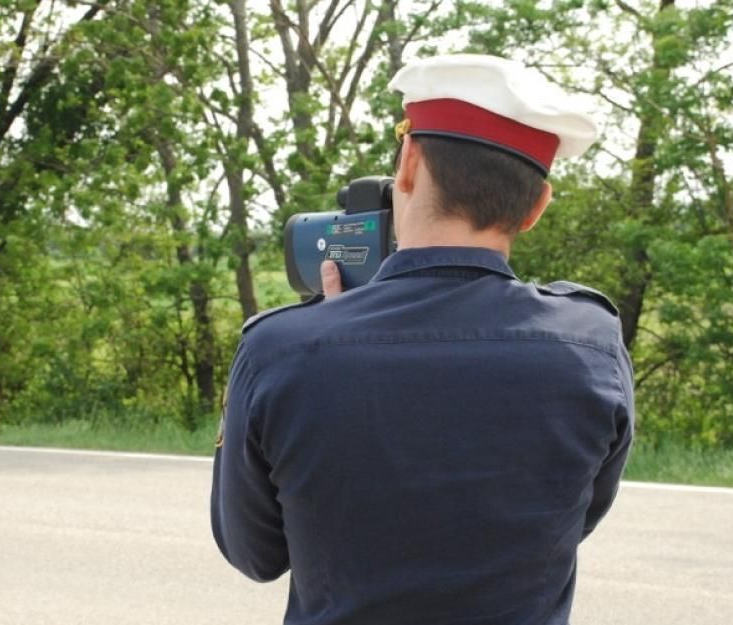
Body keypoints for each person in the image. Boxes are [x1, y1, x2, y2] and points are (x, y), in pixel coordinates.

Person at [210, 54, 634, 625]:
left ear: (407, 164)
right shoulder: (592, 346)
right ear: (535, 208)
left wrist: (330, 334)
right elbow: (571, 521)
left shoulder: (279, 351)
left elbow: (254, 554)